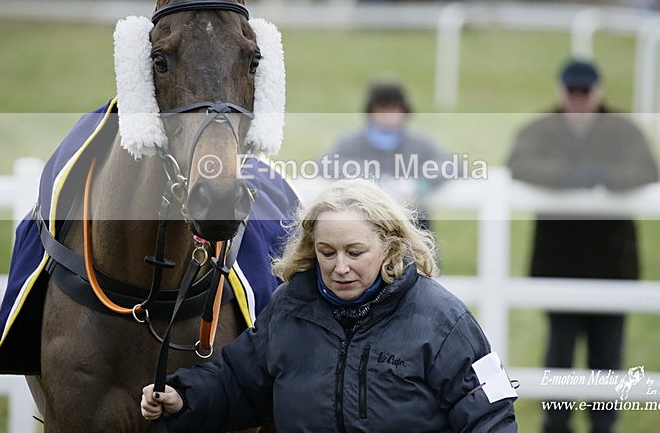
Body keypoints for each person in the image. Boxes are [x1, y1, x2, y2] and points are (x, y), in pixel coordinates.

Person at [141, 178, 518, 431]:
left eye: (355, 252)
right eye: (327, 252)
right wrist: (183, 399)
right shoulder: (289, 308)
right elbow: (236, 384)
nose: (340, 267)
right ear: (311, 249)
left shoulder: (444, 319)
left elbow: (491, 415)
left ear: (389, 247)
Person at [506, 59, 659, 433]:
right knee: (559, 349)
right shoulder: (541, 128)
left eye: (584, 92)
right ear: (561, 91)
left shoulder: (622, 129)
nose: (578, 99)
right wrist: (568, 178)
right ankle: (556, 422)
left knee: (608, 354)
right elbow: (519, 163)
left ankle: (603, 424)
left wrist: (602, 177)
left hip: (612, 262)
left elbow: (646, 169)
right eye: (571, 92)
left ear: (597, 91)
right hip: (559, 261)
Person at [323, 81, 449, 231]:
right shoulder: (351, 144)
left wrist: (421, 181)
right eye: (382, 110)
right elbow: (325, 164)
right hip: (366, 221)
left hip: (414, 222)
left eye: (394, 110)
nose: (388, 116)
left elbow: (450, 165)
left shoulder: (420, 145)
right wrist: (365, 177)